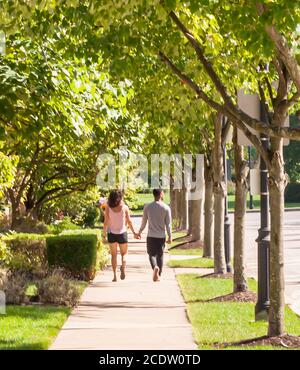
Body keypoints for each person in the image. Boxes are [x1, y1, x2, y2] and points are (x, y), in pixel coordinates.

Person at [102, 190, 139, 282]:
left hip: (111, 233)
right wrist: (134, 233)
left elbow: (106, 222)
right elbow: (129, 221)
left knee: (113, 255)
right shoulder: (125, 207)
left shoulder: (108, 207)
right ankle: (123, 266)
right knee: (124, 254)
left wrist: (104, 234)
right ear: (120, 198)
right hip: (122, 233)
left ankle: (115, 275)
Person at [137, 189, 172, 282]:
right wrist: (170, 236)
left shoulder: (147, 207)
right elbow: (168, 224)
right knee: (160, 256)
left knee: (151, 255)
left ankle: (155, 268)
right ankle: (159, 275)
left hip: (151, 236)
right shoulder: (166, 207)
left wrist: (139, 232)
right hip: (161, 236)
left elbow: (144, 222)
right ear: (161, 194)